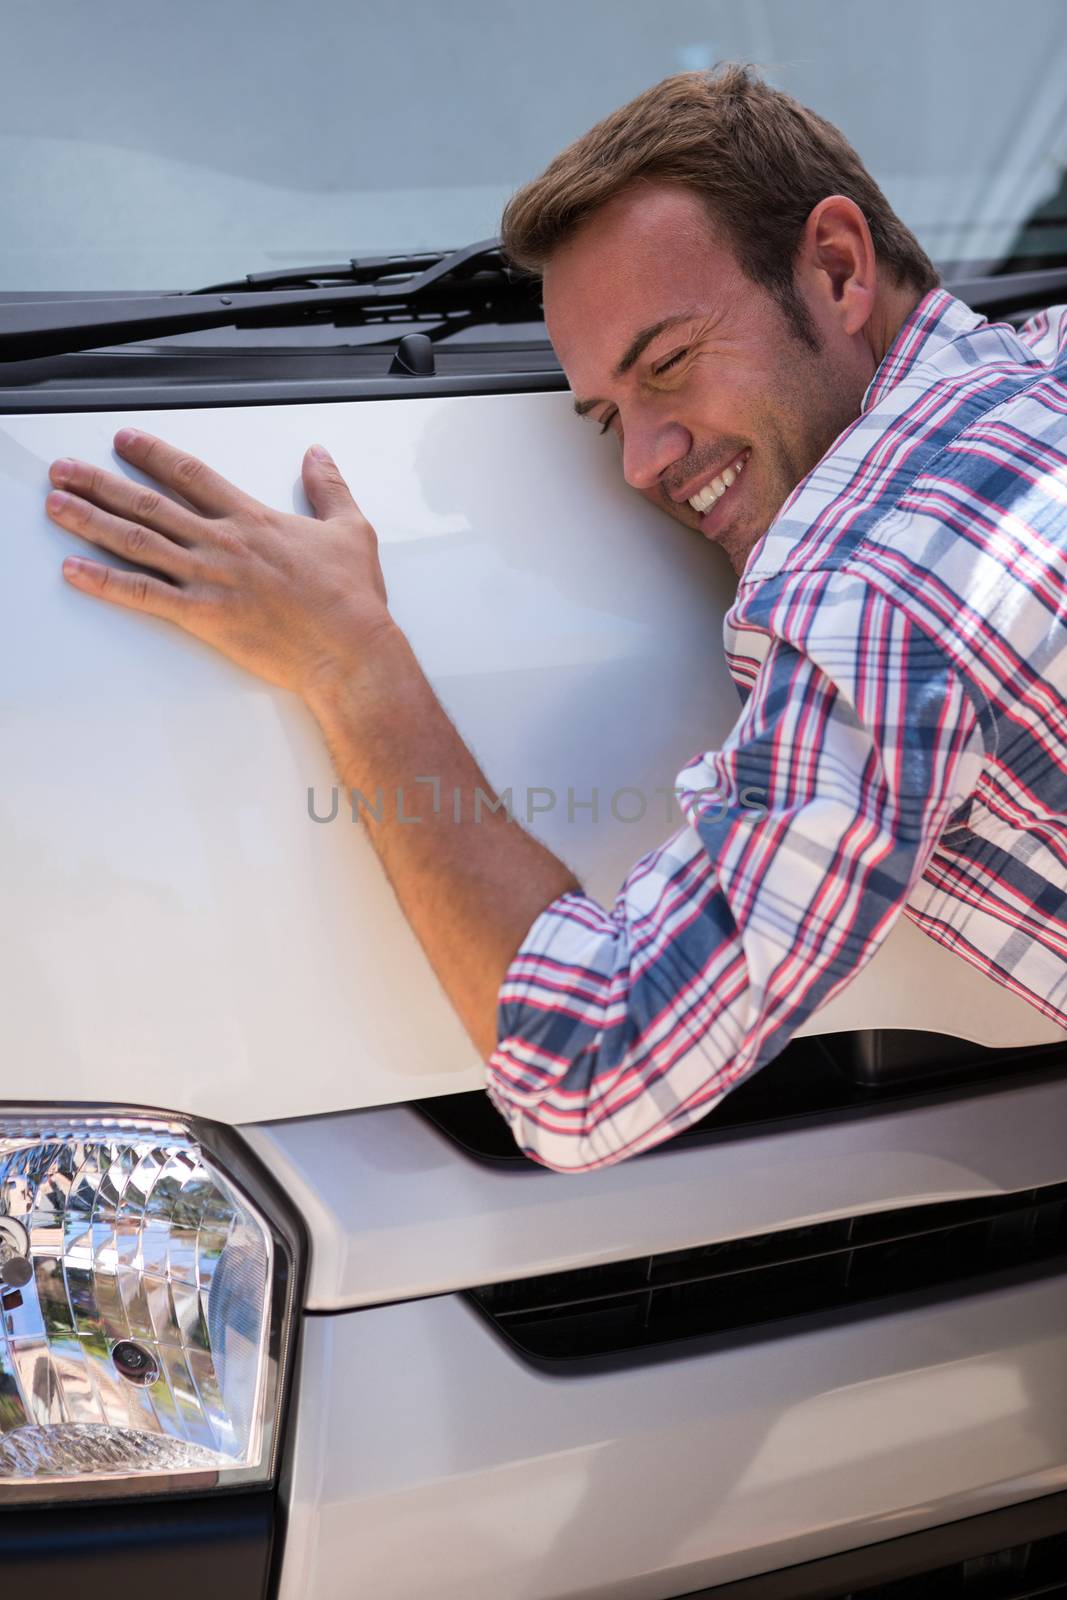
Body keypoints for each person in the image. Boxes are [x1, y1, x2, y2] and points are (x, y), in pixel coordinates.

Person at [43, 66, 1067, 1172]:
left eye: (669, 363)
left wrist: (353, 663)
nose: (643, 460)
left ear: (833, 265)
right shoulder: (1030, 377)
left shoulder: (885, 591)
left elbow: (591, 1066)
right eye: (604, 417)